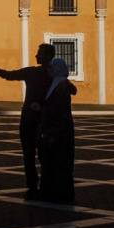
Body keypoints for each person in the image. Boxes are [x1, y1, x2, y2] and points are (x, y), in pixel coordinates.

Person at [0, 43, 54, 200]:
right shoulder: (54, 75)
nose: (36, 55)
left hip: (32, 119)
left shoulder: (35, 73)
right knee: (44, 155)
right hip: (44, 120)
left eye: (39, 53)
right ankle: (44, 185)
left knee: (30, 155)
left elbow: (9, 75)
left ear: (47, 56)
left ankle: (33, 186)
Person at [38, 58, 76, 203]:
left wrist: (42, 110)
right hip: (58, 130)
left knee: (58, 162)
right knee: (56, 163)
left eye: (52, 68)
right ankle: (55, 193)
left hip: (58, 132)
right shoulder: (58, 83)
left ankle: (58, 194)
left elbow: (57, 109)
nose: (49, 70)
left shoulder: (60, 85)